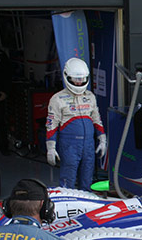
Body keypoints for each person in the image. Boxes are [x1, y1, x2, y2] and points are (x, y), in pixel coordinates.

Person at [46, 57, 107, 191]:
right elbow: (51, 124)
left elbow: (97, 119)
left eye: (82, 79)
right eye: (76, 79)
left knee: (87, 179)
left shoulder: (90, 96)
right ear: (67, 77)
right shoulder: (57, 99)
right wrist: (51, 147)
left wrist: (102, 139)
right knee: (68, 180)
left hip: (89, 144)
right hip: (69, 145)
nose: (79, 82)